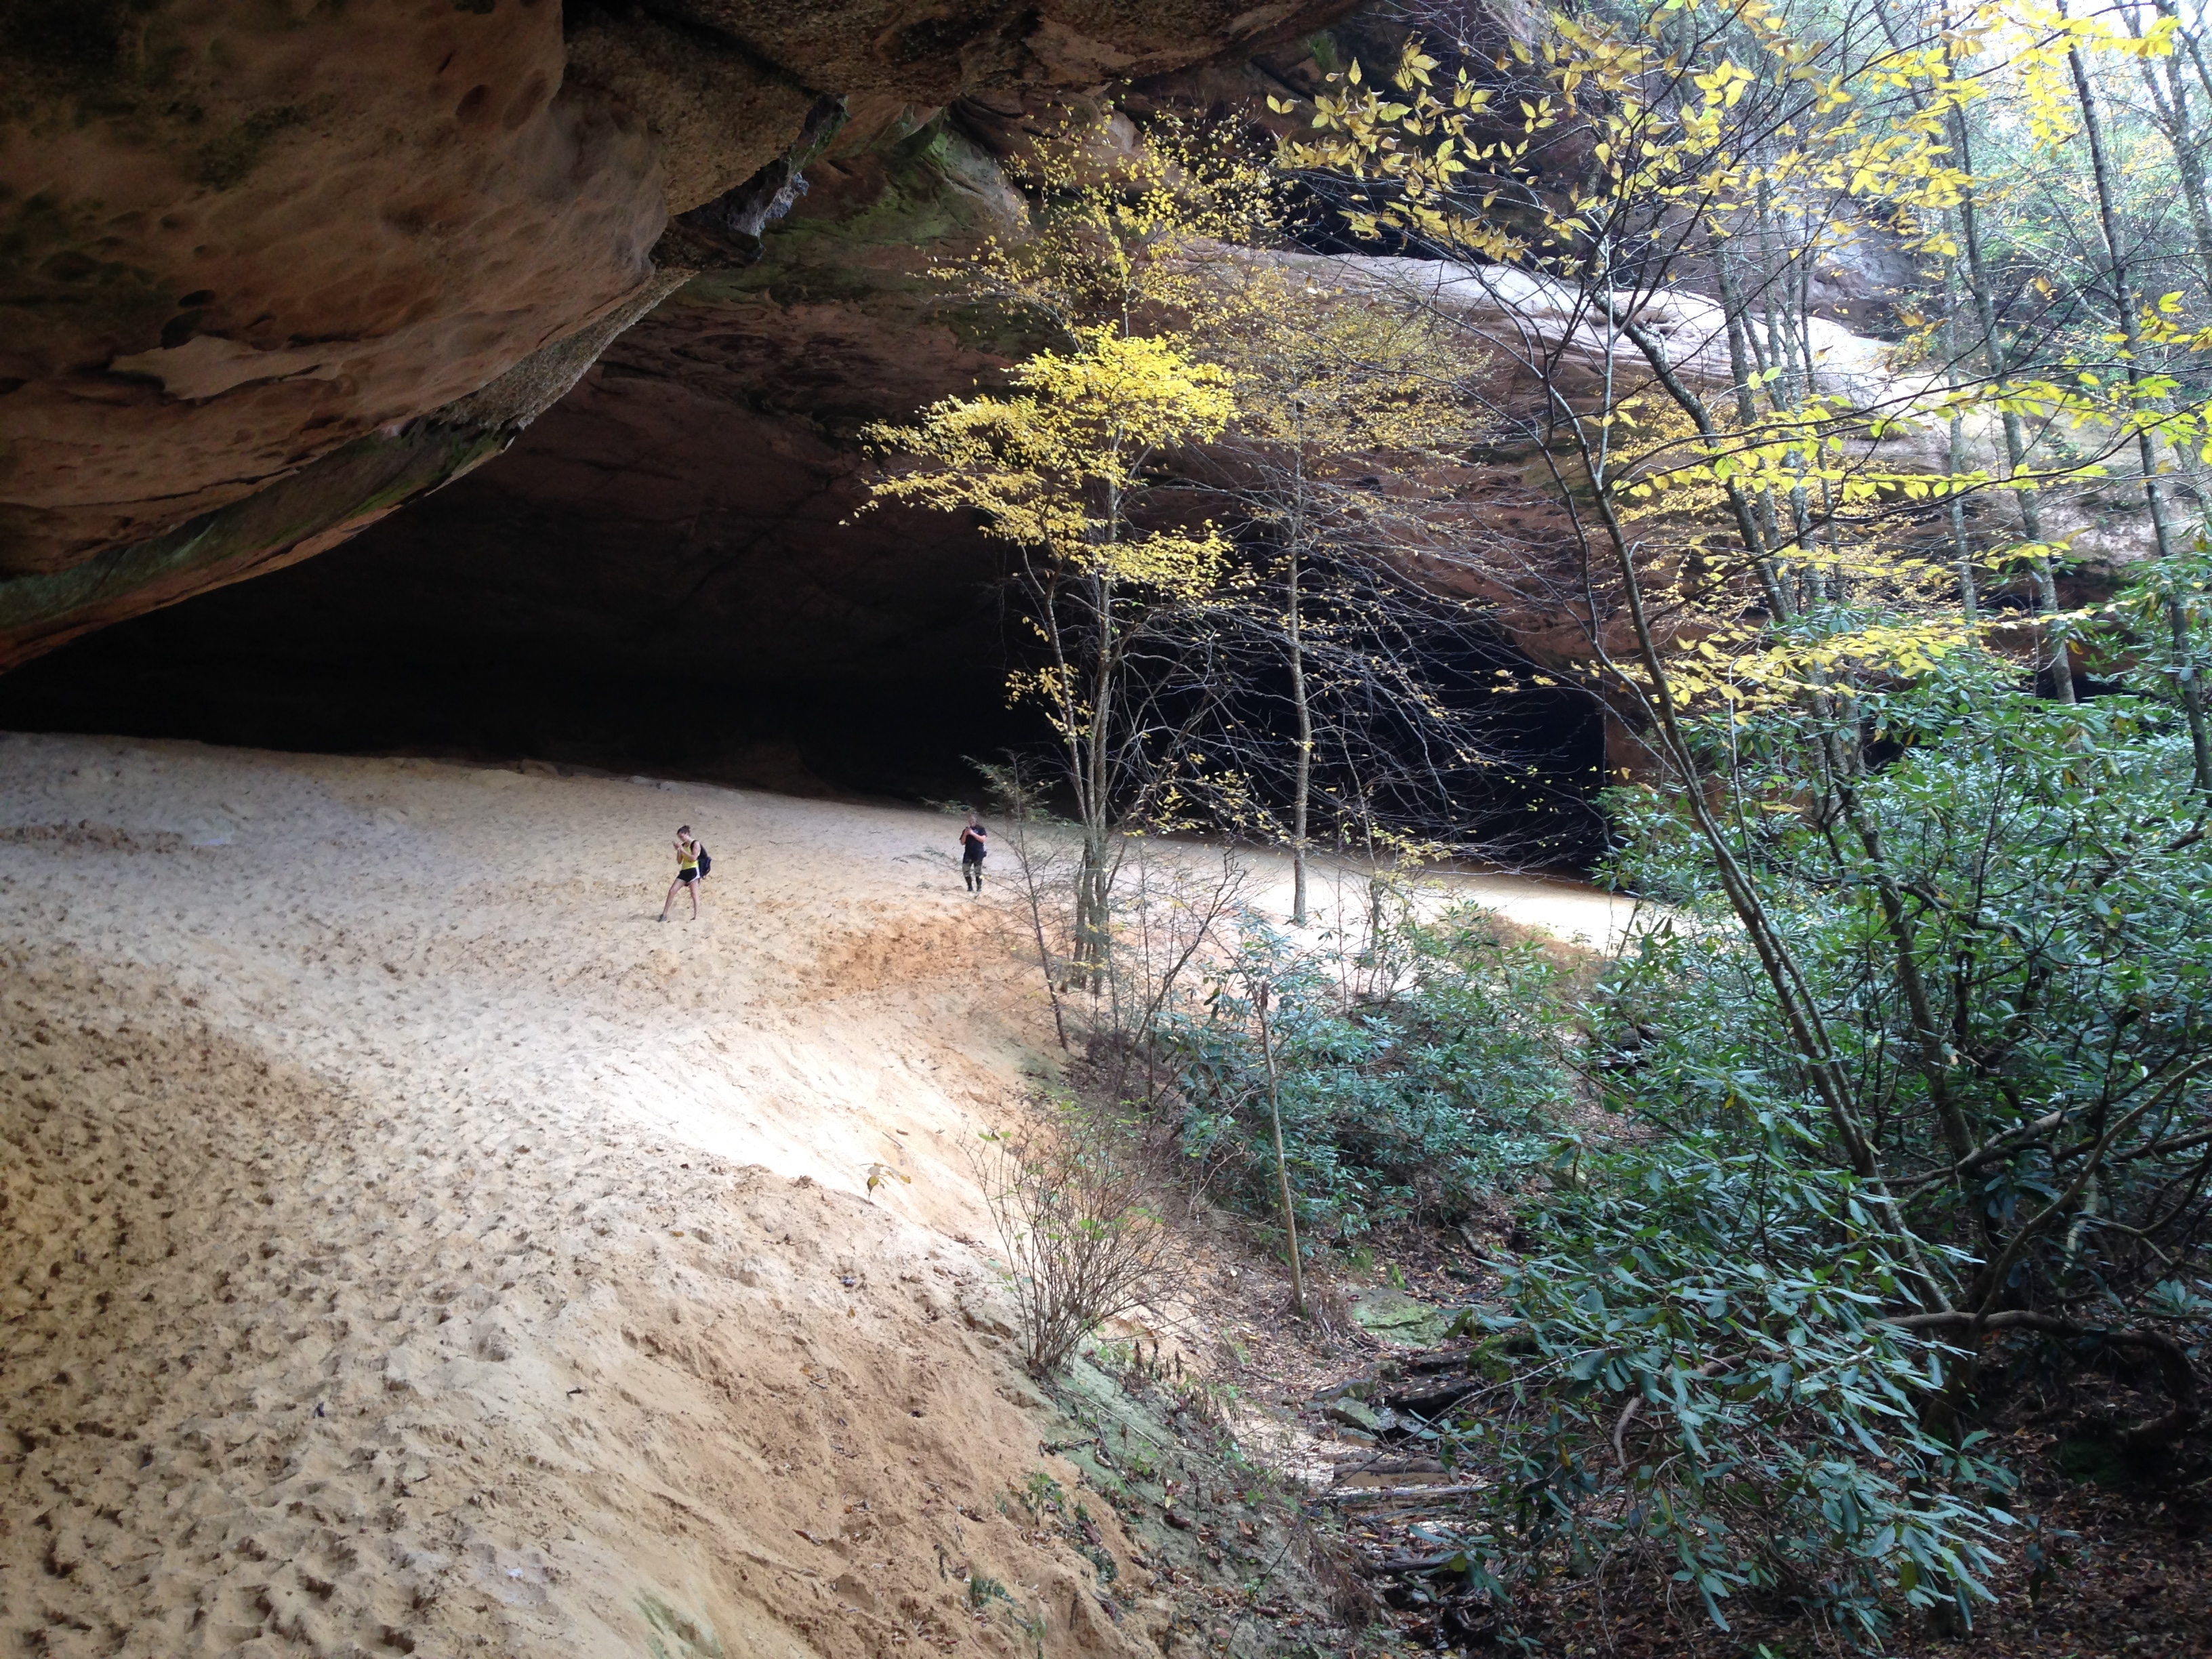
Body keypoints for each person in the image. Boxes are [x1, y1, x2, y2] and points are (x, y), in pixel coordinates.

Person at [661, 825, 704, 922]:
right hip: (684, 871)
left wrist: (683, 850)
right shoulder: (683, 846)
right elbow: (679, 861)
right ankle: (664, 914)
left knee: (694, 894)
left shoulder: (695, 843)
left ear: (687, 834)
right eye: (680, 837)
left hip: (693, 870)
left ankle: (696, 916)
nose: (681, 839)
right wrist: (679, 851)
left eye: (682, 836)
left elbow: (694, 858)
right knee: (672, 891)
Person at [958, 815, 988, 893]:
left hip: (978, 853)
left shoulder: (981, 829)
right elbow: (962, 842)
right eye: (970, 821)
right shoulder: (966, 830)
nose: (971, 822)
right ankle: (970, 886)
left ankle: (979, 887)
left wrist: (972, 834)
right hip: (968, 853)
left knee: (978, 871)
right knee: (965, 870)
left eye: (973, 821)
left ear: (976, 821)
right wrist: (965, 834)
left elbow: (983, 840)